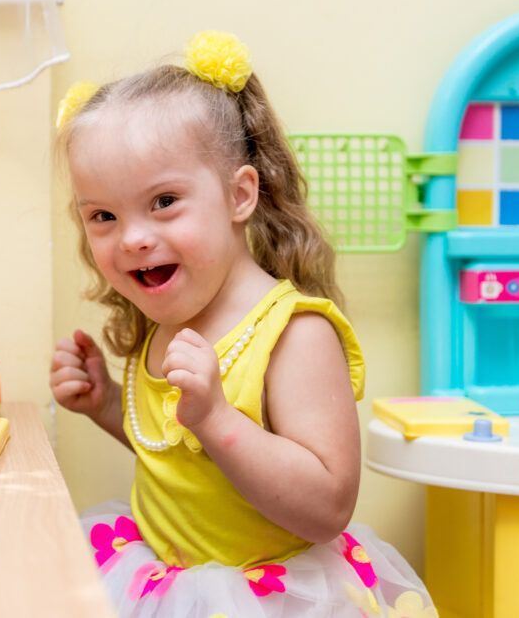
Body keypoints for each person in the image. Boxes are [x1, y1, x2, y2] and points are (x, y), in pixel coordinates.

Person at [50, 31, 435, 617]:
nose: (132, 237)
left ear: (239, 195)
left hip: (272, 598)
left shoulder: (294, 334)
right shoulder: (171, 316)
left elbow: (328, 505)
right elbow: (185, 459)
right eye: (103, 215)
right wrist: (108, 404)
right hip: (163, 582)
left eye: (163, 202)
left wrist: (216, 417)